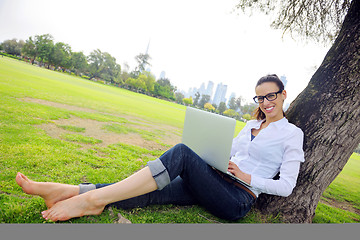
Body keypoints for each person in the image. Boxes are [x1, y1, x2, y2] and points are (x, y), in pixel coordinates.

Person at [15, 74, 305, 222]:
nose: (266, 102)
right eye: (259, 98)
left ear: (283, 95)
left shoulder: (292, 135)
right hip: (214, 182)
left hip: (237, 198)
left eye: (271, 95)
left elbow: (288, 187)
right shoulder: (249, 126)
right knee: (148, 191)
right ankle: (66, 191)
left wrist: (246, 176)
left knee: (180, 152)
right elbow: (226, 152)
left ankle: (88, 201)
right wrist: (214, 153)